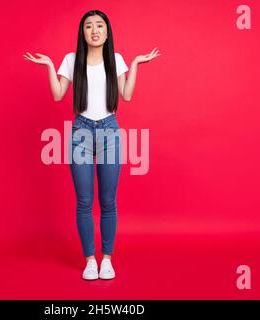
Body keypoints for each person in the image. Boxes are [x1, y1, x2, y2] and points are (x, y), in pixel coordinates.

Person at [24, 9, 160, 280]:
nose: (94, 30)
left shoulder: (116, 59)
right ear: (82, 33)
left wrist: (134, 65)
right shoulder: (71, 60)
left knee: (108, 201)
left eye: (99, 25)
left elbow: (128, 95)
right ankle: (90, 260)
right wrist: (51, 66)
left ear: (107, 31)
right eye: (89, 26)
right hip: (80, 132)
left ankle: (107, 259)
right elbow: (57, 94)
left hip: (109, 130)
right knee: (84, 201)